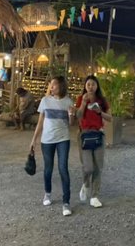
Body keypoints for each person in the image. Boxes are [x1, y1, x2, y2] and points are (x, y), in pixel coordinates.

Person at [30, 76, 75, 216]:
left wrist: (71, 115)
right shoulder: (45, 101)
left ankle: (66, 202)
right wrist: (33, 140)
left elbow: (71, 124)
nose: (51, 87)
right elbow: (40, 122)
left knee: (63, 168)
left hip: (63, 138)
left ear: (61, 86)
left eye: (54, 85)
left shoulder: (68, 101)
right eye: (51, 84)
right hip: (47, 140)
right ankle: (47, 193)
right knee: (48, 169)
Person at [75, 75, 112, 208]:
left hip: (98, 135)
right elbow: (78, 116)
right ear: (85, 86)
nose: (91, 87)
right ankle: (85, 184)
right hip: (84, 134)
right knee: (88, 167)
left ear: (97, 86)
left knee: (98, 167)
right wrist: (84, 104)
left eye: (93, 84)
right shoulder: (80, 98)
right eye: (88, 84)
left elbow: (110, 118)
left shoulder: (102, 100)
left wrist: (99, 112)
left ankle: (94, 196)